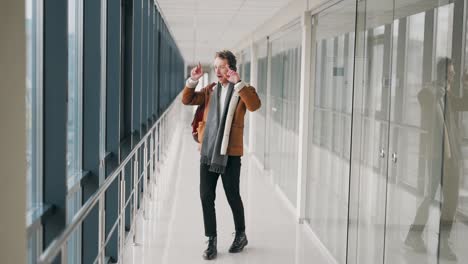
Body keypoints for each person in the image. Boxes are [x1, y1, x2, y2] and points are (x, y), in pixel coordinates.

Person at [181, 50, 261, 260]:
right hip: (208, 152)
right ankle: (211, 240)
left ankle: (241, 234)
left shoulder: (242, 90)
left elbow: (255, 105)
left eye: (222, 66)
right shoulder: (210, 90)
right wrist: (193, 80)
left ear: (231, 68)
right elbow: (187, 100)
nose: (217, 71)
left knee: (232, 195)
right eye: (215, 66)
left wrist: (239, 83)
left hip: (230, 154)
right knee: (206, 196)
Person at [405, 58, 468, 261]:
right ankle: (418, 238)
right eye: (450, 73)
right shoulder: (431, 92)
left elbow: (464, 104)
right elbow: (422, 96)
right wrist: (438, 89)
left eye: (453, 73)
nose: (453, 76)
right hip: (438, 157)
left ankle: (431, 239)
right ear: (441, 74)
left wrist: (466, 84)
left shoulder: (446, 94)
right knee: (433, 198)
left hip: (450, 157)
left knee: (449, 202)